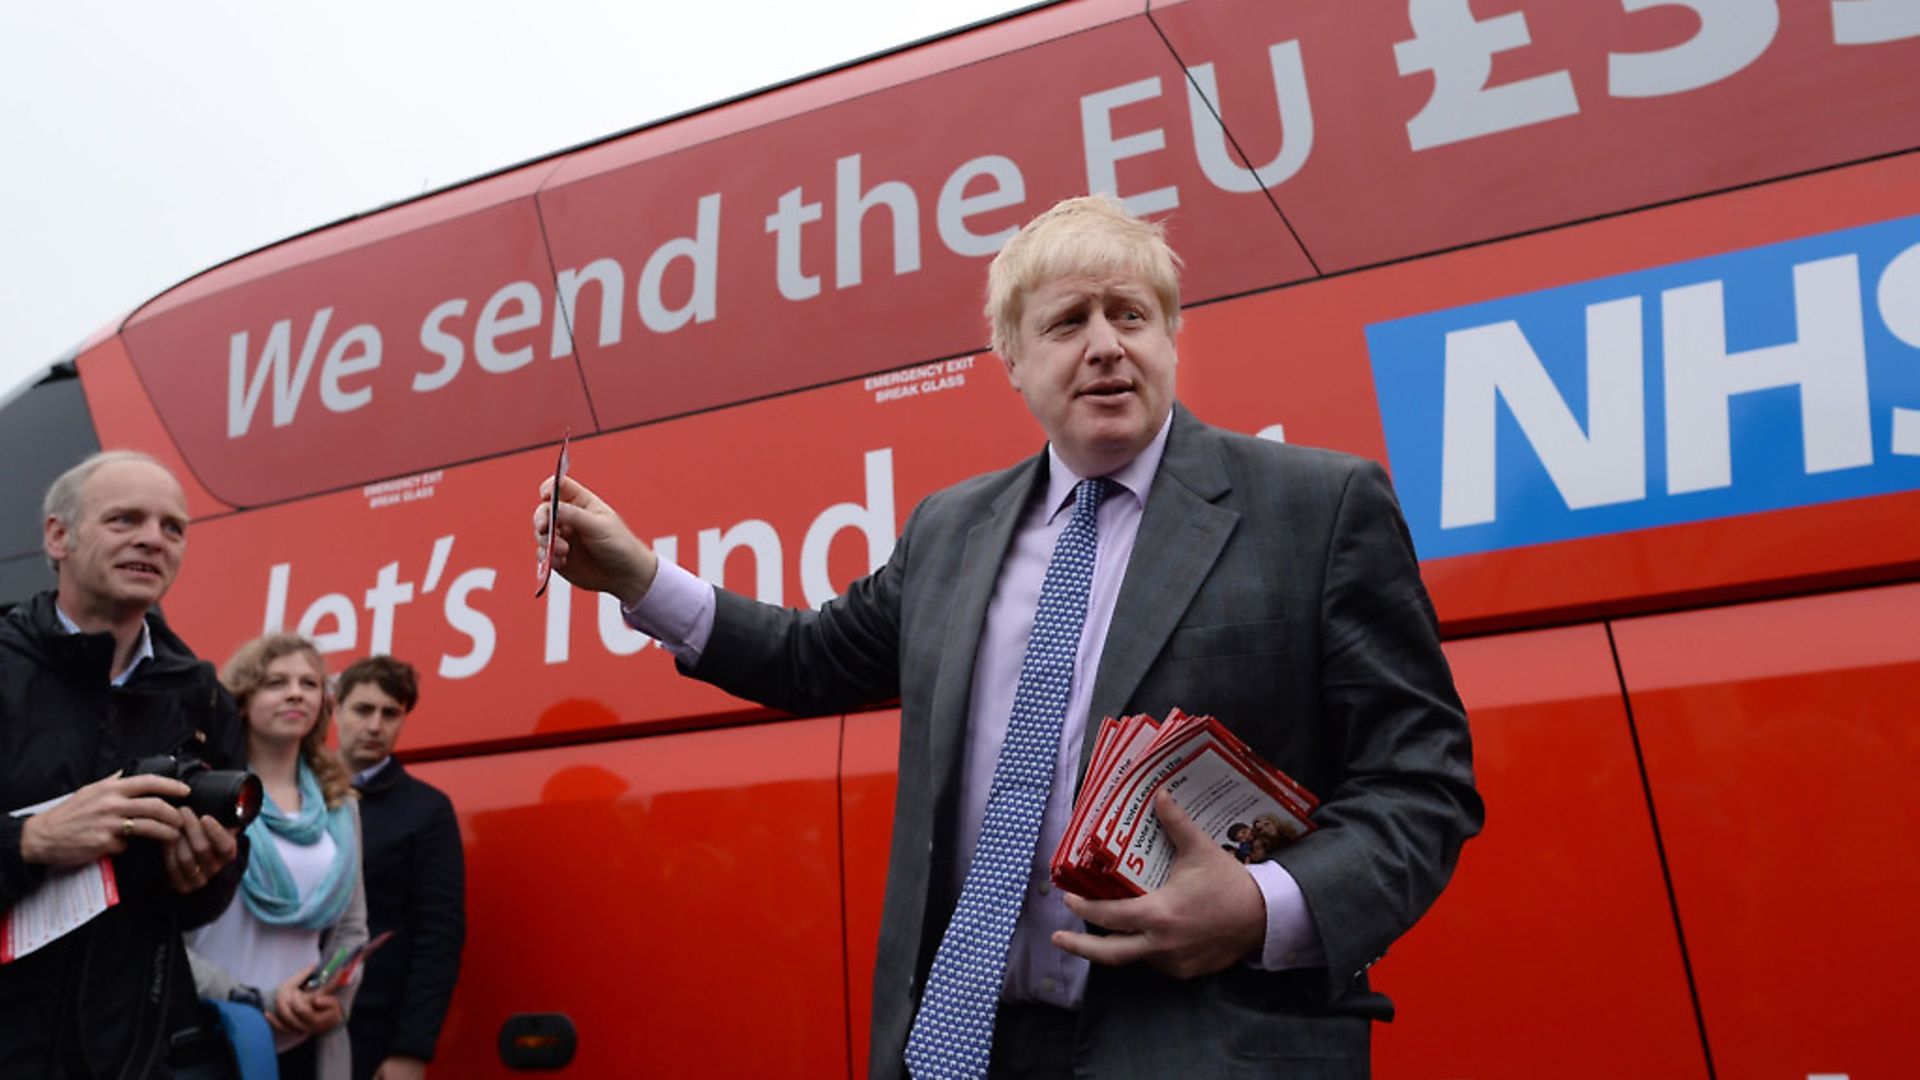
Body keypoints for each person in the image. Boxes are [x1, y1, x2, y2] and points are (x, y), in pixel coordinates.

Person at [534, 195, 1483, 1078]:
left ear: (1170, 338)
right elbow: (811, 657)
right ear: (1012, 360)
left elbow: (1421, 783)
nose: (1106, 346)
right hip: (963, 1044)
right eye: (1068, 323)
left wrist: (1264, 907)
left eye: (1132, 315)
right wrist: (640, 579)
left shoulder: (1318, 508)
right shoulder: (952, 528)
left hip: (1208, 1042)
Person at [0, 450, 249, 1078]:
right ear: (59, 536)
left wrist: (207, 872)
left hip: (135, 1050)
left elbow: (199, 902)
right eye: (124, 520)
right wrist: (31, 838)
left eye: (173, 527)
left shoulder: (203, 696)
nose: (152, 539)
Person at [188, 633, 367, 1080]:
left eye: (309, 683)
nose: (295, 693)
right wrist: (255, 999)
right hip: (211, 1029)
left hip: (306, 1040)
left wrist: (332, 1002)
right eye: (276, 682)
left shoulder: (339, 805)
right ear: (243, 701)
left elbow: (350, 929)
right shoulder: (206, 792)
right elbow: (163, 934)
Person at [333, 655, 465, 1080]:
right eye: (363, 709)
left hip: (371, 1033)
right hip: (286, 1019)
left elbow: (438, 935)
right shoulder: (300, 794)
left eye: (390, 713)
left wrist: (412, 1048)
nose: (375, 725)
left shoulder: (425, 810)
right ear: (336, 710)